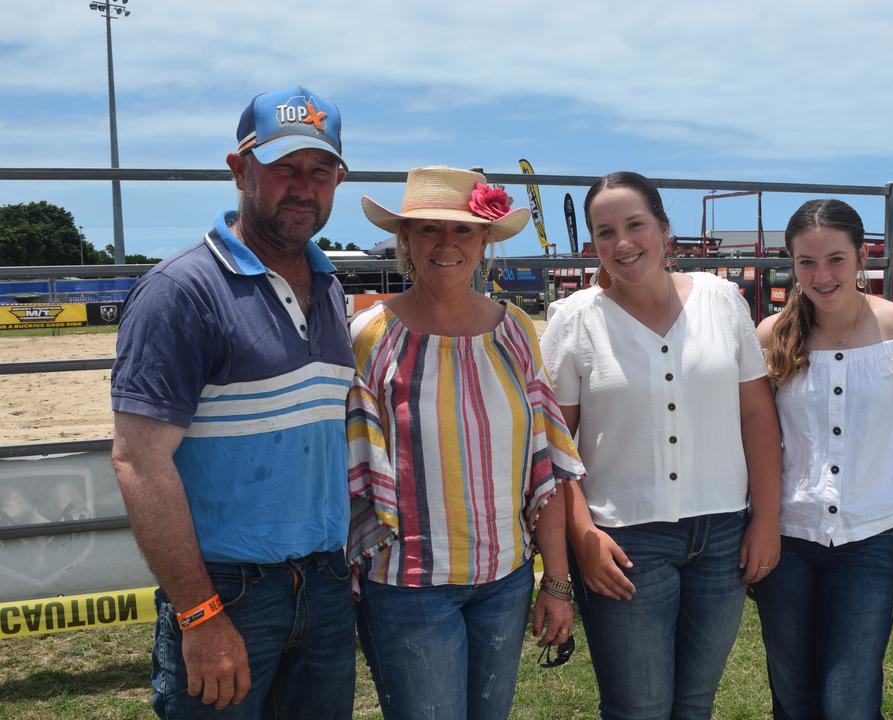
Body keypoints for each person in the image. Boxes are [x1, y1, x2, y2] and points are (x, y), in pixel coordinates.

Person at [110, 85, 356, 718]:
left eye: (320, 169)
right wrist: (199, 613)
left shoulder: (330, 289)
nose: (303, 185)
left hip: (326, 583)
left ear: (338, 180)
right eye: (284, 167)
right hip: (226, 590)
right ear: (239, 168)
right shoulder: (180, 291)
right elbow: (139, 461)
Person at [539, 171, 782, 720]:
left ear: (663, 230)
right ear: (593, 244)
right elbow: (555, 447)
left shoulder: (723, 300)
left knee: (695, 704)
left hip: (722, 535)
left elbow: (756, 414)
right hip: (624, 542)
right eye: (605, 232)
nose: (622, 243)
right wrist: (583, 536)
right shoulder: (575, 321)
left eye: (635, 225)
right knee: (638, 706)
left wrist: (766, 517)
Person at [347, 166, 584, 720]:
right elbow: (353, 473)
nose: (446, 244)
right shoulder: (368, 337)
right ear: (405, 241)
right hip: (408, 587)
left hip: (504, 581)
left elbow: (544, 465)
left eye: (463, 231)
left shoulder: (517, 332)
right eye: (429, 229)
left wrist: (557, 580)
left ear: (484, 242)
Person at [752, 199, 893, 719]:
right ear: (791, 264)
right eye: (806, 262)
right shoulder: (770, 337)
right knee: (792, 692)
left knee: (850, 698)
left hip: (868, 540)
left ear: (862, 258)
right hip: (787, 539)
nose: (822, 275)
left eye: (836, 259)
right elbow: (759, 434)